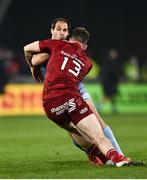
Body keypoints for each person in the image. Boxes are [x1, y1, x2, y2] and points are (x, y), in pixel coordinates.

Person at [24, 18, 127, 166]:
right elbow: (34, 60)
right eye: (59, 29)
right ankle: (93, 152)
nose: (62, 33)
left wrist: (34, 65)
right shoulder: (51, 45)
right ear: (52, 30)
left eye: (65, 30)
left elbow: (35, 59)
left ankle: (118, 155)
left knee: (97, 121)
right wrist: (33, 67)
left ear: (68, 35)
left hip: (76, 90)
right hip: (59, 94)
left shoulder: (61, 46)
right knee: (74, 131)